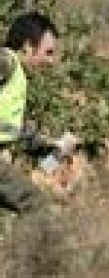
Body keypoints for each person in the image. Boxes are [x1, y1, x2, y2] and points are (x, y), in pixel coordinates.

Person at [0, 12, 58, 214]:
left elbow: (12, 129)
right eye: (48, 52)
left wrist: (49, 146)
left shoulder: (16, 77)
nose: (51, 61)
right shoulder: (6, 61)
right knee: (36, 205)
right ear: (27, 47)